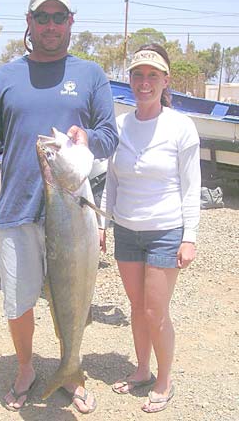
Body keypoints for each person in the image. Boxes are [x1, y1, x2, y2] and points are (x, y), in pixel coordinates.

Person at [0, 0, 118, 414]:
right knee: (17, 300)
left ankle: (71, 368)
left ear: (71, 22)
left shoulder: (90, 74)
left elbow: (110, 136)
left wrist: (87, 137)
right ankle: (26, 367)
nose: (50, 25)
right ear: (29, 23)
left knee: (71, 297)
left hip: (73, 212)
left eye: (58, 17)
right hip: (17, 211)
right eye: (42, 17)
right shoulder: (6, 76)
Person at [99, 43, 201, 413]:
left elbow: (192, 188)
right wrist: (102, 223)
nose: (145, 83)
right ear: (130, 80)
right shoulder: (120, 126)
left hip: (165, 231)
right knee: (137, 306)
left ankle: (164, 379)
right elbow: (111, 180)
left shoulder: (181, 127)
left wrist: (189, 237)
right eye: (138, 75)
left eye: (152, 76)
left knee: (157, 312)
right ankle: (141, 369)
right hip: (126, 230)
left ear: (165, 80)